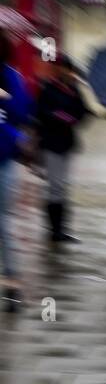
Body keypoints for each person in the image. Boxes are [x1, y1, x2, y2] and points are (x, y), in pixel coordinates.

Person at [34, 53, 89, 242]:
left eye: (67, 68)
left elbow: (83, 112)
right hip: (51, 142)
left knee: (62, 185)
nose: (64, 72)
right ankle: (54, 230)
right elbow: (41, 112)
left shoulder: (74, 90)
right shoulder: (48, 89)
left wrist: (73, 117)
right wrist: (56, 117)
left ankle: (60, 229)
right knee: (55, 186)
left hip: (66, 142)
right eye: (61, 68)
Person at [0, 31, 33, 310]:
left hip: (4, 160)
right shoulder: (13, 76)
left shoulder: (11, 76)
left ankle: (12, 285)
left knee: (4, 223)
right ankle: (12, 284)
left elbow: (22, 113)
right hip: (6, 158)